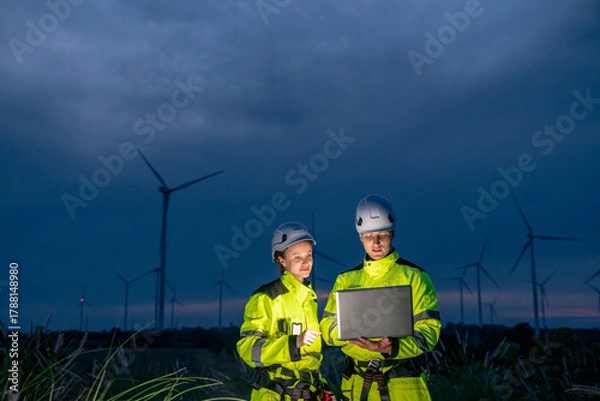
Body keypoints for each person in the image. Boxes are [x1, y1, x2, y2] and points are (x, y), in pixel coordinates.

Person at [320, 194, 442, 401]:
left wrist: (393, 348)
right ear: (360, 236)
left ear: (393, 233)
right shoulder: (345, 280)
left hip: (405, 386)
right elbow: (326, 327)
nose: (375, 242)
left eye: (382, 235)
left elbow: (429, 332)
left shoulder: (415, 277)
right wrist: (344, 333)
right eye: (368, 236)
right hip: (357, 385)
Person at [237, 221, 336, 401]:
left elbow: (309, 359)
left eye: (309, 255)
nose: (306, 263)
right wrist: (293, 343)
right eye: (297, 258)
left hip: (309, 392)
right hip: (275, 394)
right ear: (282, 260)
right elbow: (248, 349)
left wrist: (324, 388)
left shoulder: (310, 299)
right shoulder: (266, 298)